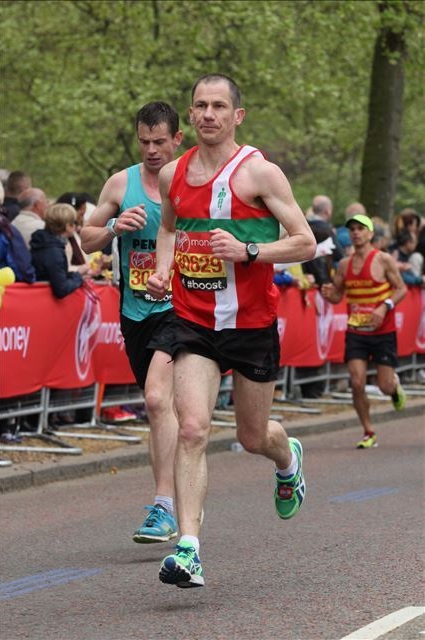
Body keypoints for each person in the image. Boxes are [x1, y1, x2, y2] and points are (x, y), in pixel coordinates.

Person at [147, 73, 316, 588]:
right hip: (193, 320)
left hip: (250, 324)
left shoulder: (260, 173)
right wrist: (162, 269)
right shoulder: (172, 174)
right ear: (190, 114)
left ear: (236, 116)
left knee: (252, 436)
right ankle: (189, 549)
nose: (208, 114)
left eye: (219, 106)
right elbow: (169, 228)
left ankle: (287, 458)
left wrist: (249, 251)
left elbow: (305, 242)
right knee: (192, 429)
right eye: (200, 105)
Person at [81, 101, 183, 544]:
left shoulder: (193, 181)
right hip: (135, 312)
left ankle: (164, 506)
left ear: (177, 139)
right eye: (144, 142)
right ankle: (180, 494)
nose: (152, 150)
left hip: (182, 308)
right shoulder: (121, 182)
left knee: (157, 399)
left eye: (159, 141)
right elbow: (86, 240)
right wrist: (115, 227)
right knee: (162, 407)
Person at [321, 214, 408, 449]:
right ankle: (368, 431)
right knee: (357, 382)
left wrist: (384, 306)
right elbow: (338, 295)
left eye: (361, 228)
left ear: (370, 233)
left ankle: (394, 387)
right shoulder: (344, 264)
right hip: (356, 331)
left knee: (384, 386)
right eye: (352, 229)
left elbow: (401, 289)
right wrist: (329, 294)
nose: (356, 233)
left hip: (383, 331)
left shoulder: (383, 259)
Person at [30, 203, 85, 298]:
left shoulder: (45, 243)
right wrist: (78, 276)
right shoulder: (53, 251)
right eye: (74, 222)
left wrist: (76, 274)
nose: (76, 226)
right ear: (67, 226)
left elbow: (55, 275)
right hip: (44, 300)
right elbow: (61, 289)